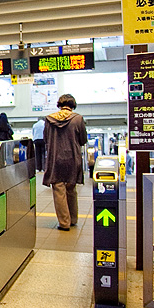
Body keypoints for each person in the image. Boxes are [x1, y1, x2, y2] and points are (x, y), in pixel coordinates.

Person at [43, 94, 88, 231]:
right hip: (73, 159)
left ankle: (64, 223)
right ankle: (73, 219)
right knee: (71, 189)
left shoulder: (49, 119)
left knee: (59, 190)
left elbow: (46, 139)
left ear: (59, 104)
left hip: (56, 159)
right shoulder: (78, 119)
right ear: (73, 104)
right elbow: (83, 140)